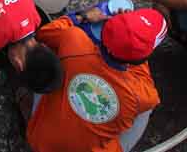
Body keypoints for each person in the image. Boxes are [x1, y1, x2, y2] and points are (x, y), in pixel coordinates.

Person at [24, 9, 167, 152]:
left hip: (39, 141)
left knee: (52, 55)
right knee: (144, 112)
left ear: (106, 28)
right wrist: (135, 46)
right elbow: (142, 73)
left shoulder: (74, 40)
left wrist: (83, 16)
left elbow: (44, 34)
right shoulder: (143, 95)